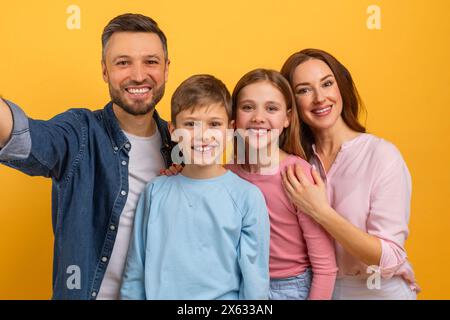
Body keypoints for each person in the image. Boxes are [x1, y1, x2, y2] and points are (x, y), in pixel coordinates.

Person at [0, 13, 174, 299]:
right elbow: (25, 137)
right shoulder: (80, 132)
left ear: (166, 69)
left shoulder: (182, 142)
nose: (139, 75)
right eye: (123, 62)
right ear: (105, 70)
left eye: (151, 62)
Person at [280, 49, 419, 299]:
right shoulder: (296, 163)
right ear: (290, 108)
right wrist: (184, 166)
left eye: (327, 83)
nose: (320, 98)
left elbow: (389, 257)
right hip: (320, 290)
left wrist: (321, 211)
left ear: (340, 87)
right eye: (304, 90)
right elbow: (244, 177)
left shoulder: (381, 155)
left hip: (378, 291)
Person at [120, 74, 270, 300]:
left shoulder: (247, 197)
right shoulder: (155, 192)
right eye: (190, 124)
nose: (203, 136)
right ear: (173, 131)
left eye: (214, 124)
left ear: (230, 129)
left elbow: (255, 282)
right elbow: (135, 270)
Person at [226, 69, 337, 300]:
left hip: (291, 288)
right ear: (233, 119)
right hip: (241, 285)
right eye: (248, 107)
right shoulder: (227, 175)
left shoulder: (297, 175)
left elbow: (325, 267)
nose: (258, 117)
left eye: (271, 108)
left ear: (287, 119)